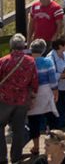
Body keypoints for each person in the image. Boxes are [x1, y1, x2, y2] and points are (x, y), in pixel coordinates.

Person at [0, 34, 40, 164]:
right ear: (24, 46)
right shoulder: (30, 61)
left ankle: (2, 158)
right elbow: (34, 81)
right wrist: (33, 96)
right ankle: (16, 158)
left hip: (4, 99)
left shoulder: (3, 61)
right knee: (18, 130)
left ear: (11, 46)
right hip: (22, 100)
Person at [28, 39, 58, 156]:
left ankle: (35, 147)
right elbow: (52, 78)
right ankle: (53, 144)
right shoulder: (47, 61)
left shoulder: (28, 61)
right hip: (46, 91)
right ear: (44, 49)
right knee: (52, 119)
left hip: (32, 93)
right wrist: (55, 91)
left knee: (33, 121)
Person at [48, 36, 65, 129]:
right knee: (59, 106)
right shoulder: (51, 58)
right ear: (60, 46)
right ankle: (59, 125)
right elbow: (52, 75)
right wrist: (64, 75)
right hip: (56, 87)